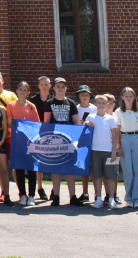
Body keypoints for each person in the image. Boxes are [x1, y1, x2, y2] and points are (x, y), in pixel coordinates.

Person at [42, 77, 81, 206]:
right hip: (54, 139)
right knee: (56, 167)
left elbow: (76, 121)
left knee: (70, 168)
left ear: (66, 88)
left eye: (62, 86)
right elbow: (46, 121)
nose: (60, 88)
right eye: (58, 86)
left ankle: (73, 196)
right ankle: (56, 196)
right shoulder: (49, 102)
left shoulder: (71, 103)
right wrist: (46, 137)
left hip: (68, 138)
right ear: (54, 88)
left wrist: (77, 138)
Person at [6, 81, 39, 205]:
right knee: (19, 169)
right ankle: (23, 195)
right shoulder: (11, 105)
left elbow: (36, 124)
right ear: (17, 91)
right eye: (20, 89)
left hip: (30, 142)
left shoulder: (31, 106)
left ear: (28, 93)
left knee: (31, 170)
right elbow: (9, 123)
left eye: (25, 90)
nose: (22, 92)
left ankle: (31, 195)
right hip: (17, 141)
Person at [114, 87, 138, 208]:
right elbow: (117, 129)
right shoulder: (118, 112)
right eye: (126, 96)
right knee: (128, 170)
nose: (128, 98)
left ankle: (137, 198)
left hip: (137, 139)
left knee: (137, 170)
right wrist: (118, 146)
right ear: (122, 97)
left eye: (131, 96)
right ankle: (129, 198)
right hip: (124, 139)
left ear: (134, 98)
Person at [86, 93, 120, 209]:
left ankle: (111, 199)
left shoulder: (110, 118)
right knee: (97, 175)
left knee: (110, 176)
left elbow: (115, 135)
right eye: (98, 103)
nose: (101, 105)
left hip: (108, 150)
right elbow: (84, 129)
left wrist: (114, 151)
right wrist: (86, 123)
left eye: (103, 103)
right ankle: (98, 198)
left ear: (107, 105)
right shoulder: (90, 117)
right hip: (95, 150)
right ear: (95, 104)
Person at [28, 75, 52, 201]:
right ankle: (40, 187)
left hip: (52, 133)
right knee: (38, 160)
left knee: (53, 159)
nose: (44, 86)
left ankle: (55, 189)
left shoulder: (54, 99)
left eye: (46, 84)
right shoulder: (33, 100)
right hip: (37, 133)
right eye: (42, 84)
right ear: (38, 86)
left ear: (50, 85)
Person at [75, 85, 96, 201]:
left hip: (93, 140)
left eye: (86, 94)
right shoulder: (76, 108)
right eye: (82, 94)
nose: (84, 97)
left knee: (94, 167)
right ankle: (85, 192)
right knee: (84, 167)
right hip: (81, 140)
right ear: (78, 96)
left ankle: (97, 193)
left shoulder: (94, 109)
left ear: (90, 96)